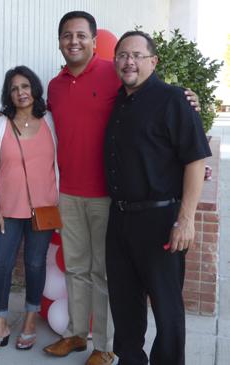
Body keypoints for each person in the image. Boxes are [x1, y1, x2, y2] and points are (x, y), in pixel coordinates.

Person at [43, 11, 200, 365]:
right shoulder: (59, 85)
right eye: (67, 35)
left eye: (81, 35)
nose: (74, 41)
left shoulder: (138, 86)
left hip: (133, 206)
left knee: (147, 296)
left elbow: (190, 153)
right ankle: (84, 338)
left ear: (95, 42)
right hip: (90, 200)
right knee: (94, 278)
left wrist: (186, 218)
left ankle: (105, 346)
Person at [104, 30, 210, 365]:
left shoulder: (174, 99)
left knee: (166, 308)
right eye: (122, 55)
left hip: (161, 220)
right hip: (120, 218)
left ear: (154, 61)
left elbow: (195, 159)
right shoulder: (119, 100)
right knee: (124, 301)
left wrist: (186, 220)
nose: (128, 61)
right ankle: (131, 359)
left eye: (136, 55)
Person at [0, 66, 59, 355]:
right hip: (7, 210)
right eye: (14, 89)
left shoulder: (50, 120)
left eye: (25, 86)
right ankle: (0, 323)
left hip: (44, 209)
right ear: (8, 95)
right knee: (0, 265)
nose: (20, 93)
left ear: (34, 89)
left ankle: (29, 319)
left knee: (36, 265)